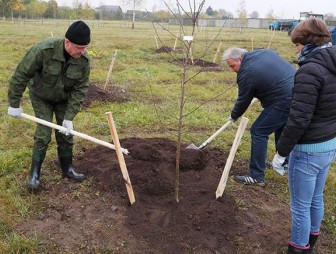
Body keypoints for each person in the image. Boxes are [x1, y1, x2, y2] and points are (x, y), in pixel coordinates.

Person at [272, 18, 336, 254]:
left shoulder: (310, 70)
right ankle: (311, 241)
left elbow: (299, 119)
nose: (296, 49)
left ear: (307, 42)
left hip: (308, 150)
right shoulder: (332, 63)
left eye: (297, 44)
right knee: (316, 197)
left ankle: (298, 248)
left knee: (300, 206)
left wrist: (281, 152)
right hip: (329, 143)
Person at [7, 20, 91, 190]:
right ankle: (34, 175)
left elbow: (80, 90)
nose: (82, 52)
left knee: (66, 133)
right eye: (79, 47)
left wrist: (69, 117)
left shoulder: (84, 62)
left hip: (64, 99)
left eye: (85, 47)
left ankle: (67, 168)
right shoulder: (44, 50)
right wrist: (14, 103)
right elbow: (21, 75)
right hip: (41, 96)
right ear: (67, 42)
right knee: (43, 134)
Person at [222, 47, 295, 186]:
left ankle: (256, 176)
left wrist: (234, 116)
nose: (233, 70)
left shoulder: (246, 73)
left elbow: (243, 100)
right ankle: (285, 162)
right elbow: (276, 55)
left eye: (233, 66)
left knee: (258, 131)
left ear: (240, 59)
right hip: (298, 91)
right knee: (281, 127)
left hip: (283, 99)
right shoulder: (264, 52)